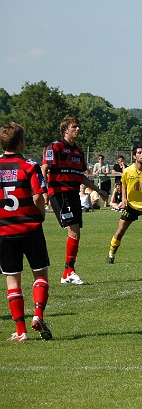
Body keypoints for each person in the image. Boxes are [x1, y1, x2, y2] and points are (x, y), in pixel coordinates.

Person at [0, 122, 53, 341]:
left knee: (13, 281)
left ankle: (21, 331)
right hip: (30, 228)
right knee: (40, 274)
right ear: (21, 142)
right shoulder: (29, 166)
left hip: (5, 232)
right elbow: (39, 196)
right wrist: (41, 214)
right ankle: (38, 315)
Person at [42, 117, 108, 285]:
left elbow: (80, 176)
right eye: (74, 127)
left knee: (76, 232)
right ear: (66, 129)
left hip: (73, 194)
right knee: (74, 229)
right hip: (59, 194)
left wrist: (98, 190)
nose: (78, 129)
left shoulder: (78, 152)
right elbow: (45, 168)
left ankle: (66, 273)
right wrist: (43, 191)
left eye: (78, 126)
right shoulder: (55, 147)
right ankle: (70, 271)